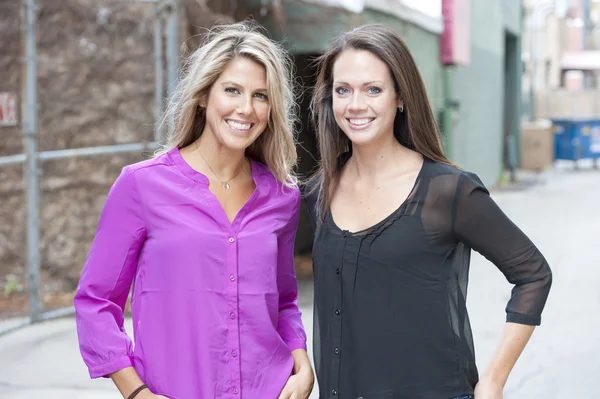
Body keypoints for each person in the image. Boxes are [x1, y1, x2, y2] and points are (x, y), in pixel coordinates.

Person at [304, 24, 552, 399]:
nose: (356, 104)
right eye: (343, 90)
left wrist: (493, 381)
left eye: (373, 89)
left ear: (400, 97)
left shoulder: (447, 191)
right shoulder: (319, 191)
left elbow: (533, 274)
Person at [74, 21, 314, 399]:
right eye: (232, 90)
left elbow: (283, 301)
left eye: (261, 96)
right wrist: (136, 393)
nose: (246, 108)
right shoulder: (141, 186)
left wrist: (303, 367)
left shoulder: (282, 197)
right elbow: (96, 301)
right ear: (203, 96)